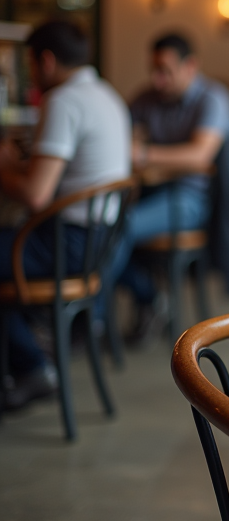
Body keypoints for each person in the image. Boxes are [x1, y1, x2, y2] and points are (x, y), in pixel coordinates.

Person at [0, 20, 130, 411]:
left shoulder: (63, 101)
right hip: (97, 243)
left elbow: (36, 195)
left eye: (31, 65)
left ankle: (31, 366)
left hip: (65, 244)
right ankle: (30, 355)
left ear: (47, 60)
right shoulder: (107, 95)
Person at [112, 32, 229, 342]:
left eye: (165, 70)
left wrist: (142, 153)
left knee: (116, 228)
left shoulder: (213, 97)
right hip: (151, 193)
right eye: (153, 70)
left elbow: (200, 155)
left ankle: (95, 317)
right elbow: (119, 137)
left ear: (190, 66)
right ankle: (149, 297)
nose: (157, 79)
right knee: (101, 227)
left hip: (191, 199)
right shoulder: (146, 98)